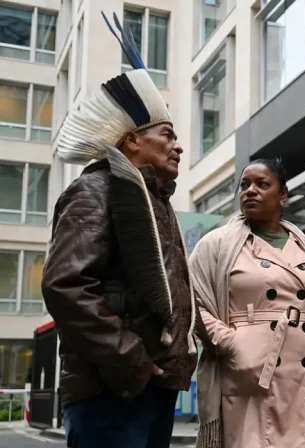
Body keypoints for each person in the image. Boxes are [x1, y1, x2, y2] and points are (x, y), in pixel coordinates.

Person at [41, 12, 197, 448]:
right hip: (112, 391)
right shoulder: (95, 190)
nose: (178, 145)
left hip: (148, 387)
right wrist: (133, 360)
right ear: (132, 141)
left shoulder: (155, 202)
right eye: (166, 135)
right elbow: (66, 285)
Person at [189, 158, 305, 448]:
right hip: (248, 375)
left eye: (262, 184)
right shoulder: (216, 244)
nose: (250, 191)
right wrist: (231, 344)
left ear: (283, 194)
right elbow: (194, 303)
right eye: (244, 185)